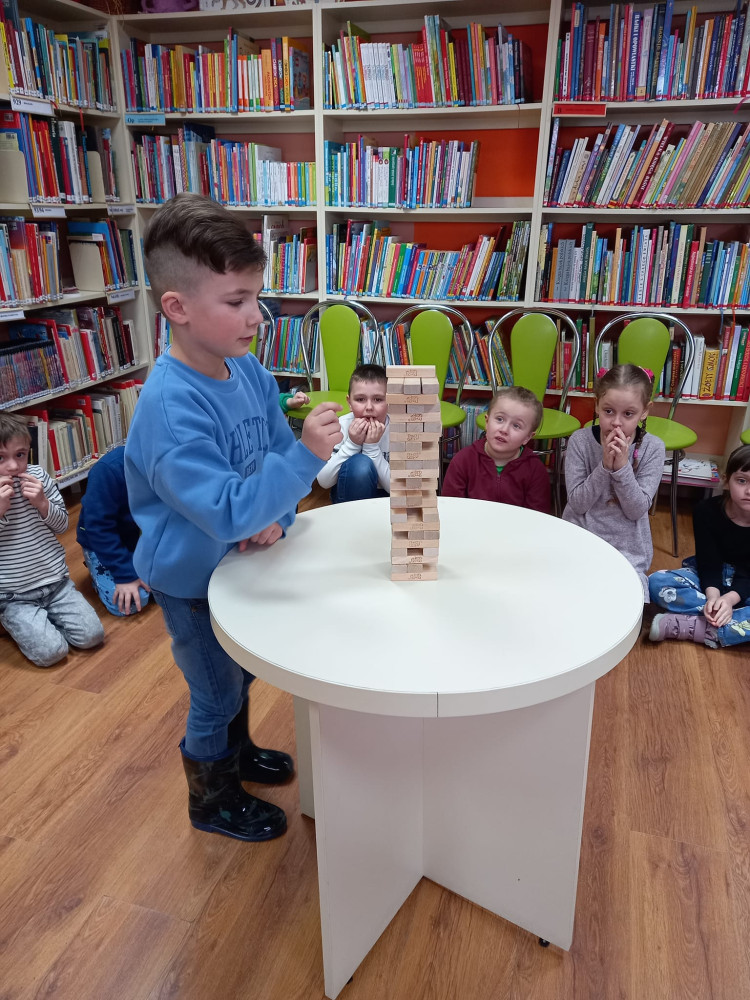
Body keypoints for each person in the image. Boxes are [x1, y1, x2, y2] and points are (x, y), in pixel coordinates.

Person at [124, 193, 342, 843]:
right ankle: (211, 798)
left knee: (240, 670)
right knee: (216, 691)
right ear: (177, 308)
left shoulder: (244, 368)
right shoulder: (170, 408)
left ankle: (237, 753)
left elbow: (271, 451)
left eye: (257, 297)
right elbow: (224, 510)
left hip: (239, 560)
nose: (256, 316)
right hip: (190, 577)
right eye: (236, 300)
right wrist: (302, 463)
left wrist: (278, 513)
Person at [0, 413, 104, 667]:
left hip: (55, 583)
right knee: (52, 653)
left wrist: (43, 503)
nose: (13, 466)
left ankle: (40, 620)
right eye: (1, 458)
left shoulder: (38, 476)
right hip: (13, 595)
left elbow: (62, 525)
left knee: (92, 636)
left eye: (20, 455)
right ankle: (11, 619)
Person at [562, 364, 665, 600]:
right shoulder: (580, 441)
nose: (616, 423)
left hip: (628, 547)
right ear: (597, 405)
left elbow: (636, 510)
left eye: (628, 414)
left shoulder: (653, 448)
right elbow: (577, 504)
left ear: (645, 411)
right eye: (608, 411)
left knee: (628, 600)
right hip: (580, 537)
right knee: (568, 595)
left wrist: (621, 468)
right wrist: (604, 467)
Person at [648, 443, 750, 647]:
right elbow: (709, 563)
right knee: (655, 582)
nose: (749, 491)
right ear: (726, 481)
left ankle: (698, 627)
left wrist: (729, 600)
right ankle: (731, 623)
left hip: (746, 585)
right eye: (741, 480)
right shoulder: (706, 511)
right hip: (708, 578)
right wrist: (713, 599)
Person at [441, 385, 551, 513]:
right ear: (487, 422)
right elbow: (451, 508)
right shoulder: (463, 461)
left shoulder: (535, 470)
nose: (504, 430)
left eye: (516, 426)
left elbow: (537, 517)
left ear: (527, 437)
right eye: (499, 419)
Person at [77, 445, 151, 616]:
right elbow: (98, 528)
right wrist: (125, 575)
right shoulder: (108, 470)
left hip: (140, 538)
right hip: (103, 541)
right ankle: (96, 570)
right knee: (129, 603)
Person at [317, 363, 390, 503]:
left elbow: (398, 489)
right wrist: (352, 444)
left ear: (390, 401)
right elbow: (324, 481)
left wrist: (372, 448)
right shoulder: (340, 426)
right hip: (348, 496)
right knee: (361, 464)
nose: (369, 407)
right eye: (360, 399)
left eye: (378, 399)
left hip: (386, 499)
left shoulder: (398, 429)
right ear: (349, 403)